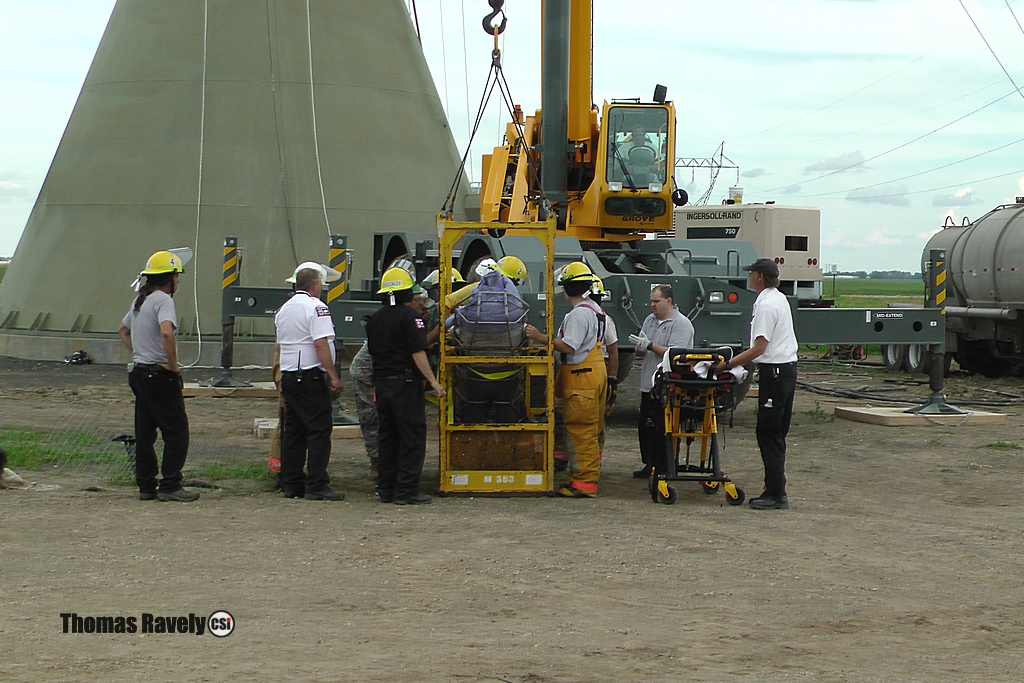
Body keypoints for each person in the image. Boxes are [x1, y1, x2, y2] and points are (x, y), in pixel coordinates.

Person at [715, 258, 798, 510]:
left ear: (760, 277)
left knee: (768, 432)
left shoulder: (765, 305)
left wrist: (727, 364)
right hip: (785, 370)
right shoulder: (778, 298)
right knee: (776, 432)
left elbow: (759, 347)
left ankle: (775, 493)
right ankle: (775, 488)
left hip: (774, 372)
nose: (750, 278)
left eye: (752, 274)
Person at [117, 250, 198, 502]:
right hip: (159, 375)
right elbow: (166, 333)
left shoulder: (140, 300)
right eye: (177, 276)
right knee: (177, 431)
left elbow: (122, 330)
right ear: (169, 278)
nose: (178, 281)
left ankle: (146, 485)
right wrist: (173, 365)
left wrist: (140, 351)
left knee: (145, 432)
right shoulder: (164, 300)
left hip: (139, 372)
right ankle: (171, 484)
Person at [525, 261, 607, 498]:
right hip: (594, 372)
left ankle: (584, 483)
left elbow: (569, 346)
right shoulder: (595, 310)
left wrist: (539, 337)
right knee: (590, 430)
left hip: (582, 377)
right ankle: (587, 479)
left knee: (580, 430)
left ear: (567, 287)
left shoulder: (579, 314)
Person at [366, 267, 446, 505]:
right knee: (411, 436)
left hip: (383, 384)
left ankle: (386, 487)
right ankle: (407, 489)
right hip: (405, 385)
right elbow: (418, 353)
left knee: (388, 437)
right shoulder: (412, 319)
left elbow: (372, 356)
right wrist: (433, 381)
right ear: (407, 293)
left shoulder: (375, 319)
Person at [274, 265, 345, 501]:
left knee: (294, 430)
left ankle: (292, 483)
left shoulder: (283, 309)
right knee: (319, 428)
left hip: (289, 375)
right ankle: (317, 483)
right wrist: (333, 375)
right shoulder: (316, 307)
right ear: (315, 286)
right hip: (309, 376)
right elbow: (321, 343)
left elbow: (280, 345)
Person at [350, 282, 430, 476]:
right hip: (369, 375)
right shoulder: (404, 319)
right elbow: (416, 349)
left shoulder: (393, 318)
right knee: (375, 421)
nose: (421, 304)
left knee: (389, 429)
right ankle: (378, 465)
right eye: (417, 300)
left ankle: (386, 478)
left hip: (384, 378)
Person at [447, 260, 529, 424]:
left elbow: (447, 309)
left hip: (476, 372)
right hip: (508, 373)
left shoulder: (473, 293)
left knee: (475, 415)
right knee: (508, 417)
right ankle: (509, 447)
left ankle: (473, 447)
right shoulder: (514, 301)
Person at [628, 284, 695, 480]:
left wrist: (650, 345)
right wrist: (639, 348)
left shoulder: (681, 324)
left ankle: (667, 464)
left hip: (670, 384)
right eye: (651, 301)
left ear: (669, 301)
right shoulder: (650, 320)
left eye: (656, 301)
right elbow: (643, 349)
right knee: (647, 426)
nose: (652, 305)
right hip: (648, 383)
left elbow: (677, 354)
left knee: (665, 426)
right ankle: (650, 463)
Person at [589, 278, 619, 452]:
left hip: (600, 366)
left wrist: (612, 379)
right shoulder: (577, 316)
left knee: (598, 418)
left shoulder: (605, 320)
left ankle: (594, 456)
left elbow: (613, 350)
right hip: (587, 368)